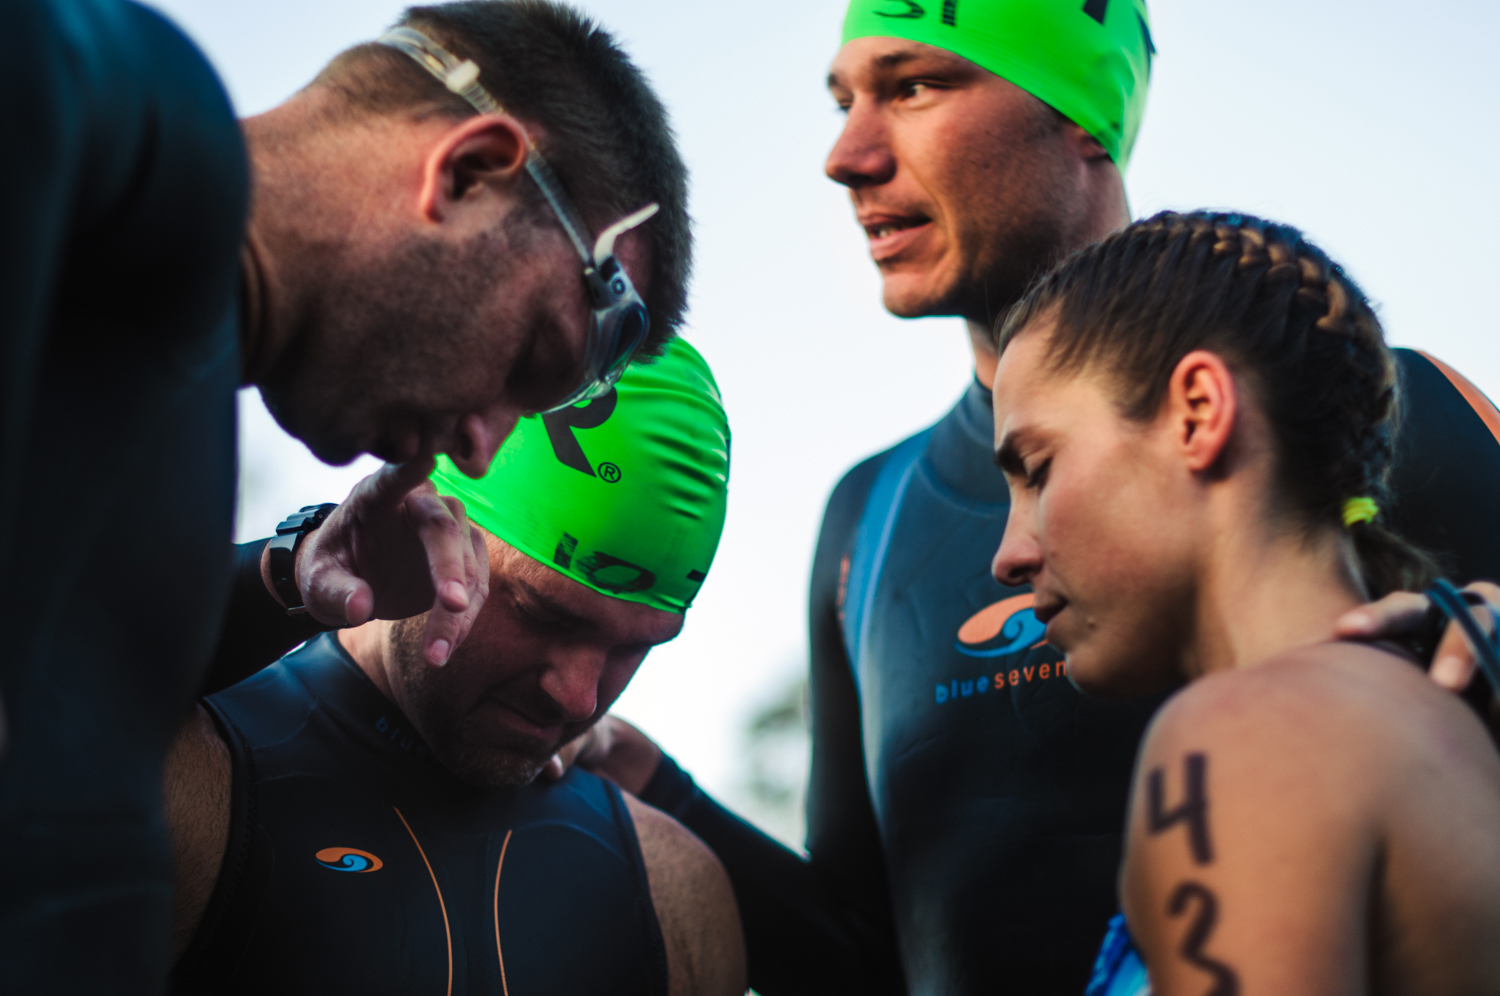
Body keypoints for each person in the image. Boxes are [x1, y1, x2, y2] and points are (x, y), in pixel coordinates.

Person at [572, 2, 1500, 994]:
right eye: (844, 101)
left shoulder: (1384, 405)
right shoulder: (868, 521)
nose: (847, 154)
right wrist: (648, 784)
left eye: (914, 85)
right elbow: (865, 956)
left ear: (1082, 117)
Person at [0, 1, 688, 991]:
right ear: (469, 174)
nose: (483, 448)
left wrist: (285, 574)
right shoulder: (119, 107)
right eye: (527, 359)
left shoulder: (182, 373)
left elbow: (78, 672)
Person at [990, 210, 1500, 996]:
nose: (1007, 555)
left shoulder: (1247, 735)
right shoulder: (1441, 723)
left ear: (1198, 411)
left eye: (1036, 468)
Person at [165, 339, 745, 995]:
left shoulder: (677, 893)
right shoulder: (193, 779)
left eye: (634, 646)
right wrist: (285, 572)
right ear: (427, 517)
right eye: (542, 613)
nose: (580, 698)